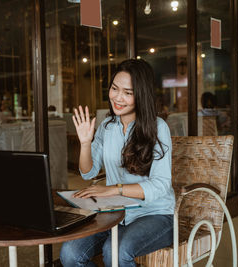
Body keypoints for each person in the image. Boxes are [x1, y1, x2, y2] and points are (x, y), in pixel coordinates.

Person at [60, 59, 175, 267]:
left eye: (128, 93)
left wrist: (114, 190)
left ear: (141, 95)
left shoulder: (158, 128)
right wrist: (85, 143)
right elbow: (88, 172)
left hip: (154, 214)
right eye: (114, 88)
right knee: (70, 253)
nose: (118, 97)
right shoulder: (107, 125)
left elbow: (160, 185)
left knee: (115, 251)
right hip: (115, 213)